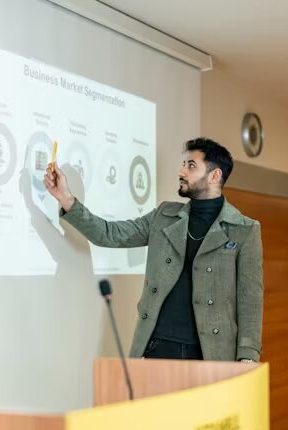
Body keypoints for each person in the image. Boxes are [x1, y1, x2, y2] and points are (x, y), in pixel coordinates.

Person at [44, 137, 263, 362]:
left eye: (191, 166)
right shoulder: (164, 216)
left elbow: (250, 301)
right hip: (158, 347)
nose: (181, 171)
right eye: (183, 164)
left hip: (212, 354)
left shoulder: (244, 230)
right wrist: (66, 199)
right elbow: (111, 234)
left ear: (214, 176)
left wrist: (248, 356)